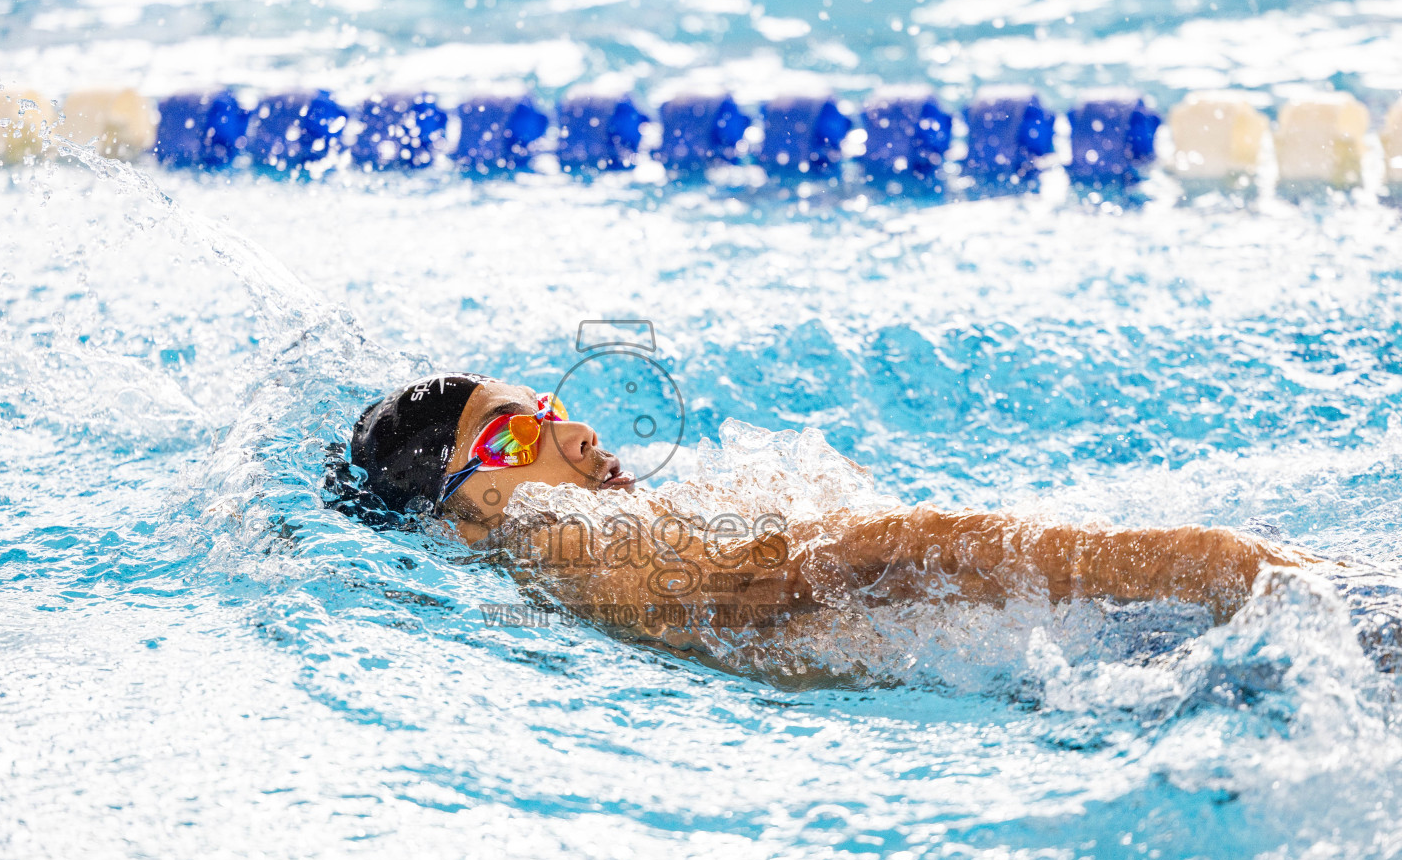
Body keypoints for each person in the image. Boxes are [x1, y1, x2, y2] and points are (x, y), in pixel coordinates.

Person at [341, 373, 1390, 680]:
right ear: (462, 524)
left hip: (1075, 651)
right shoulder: (564, 552)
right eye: (513, 440)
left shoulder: (592, 541)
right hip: (1110, 643)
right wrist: (1203, 560)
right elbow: (854, 562)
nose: (575, 438)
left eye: (554, 413)